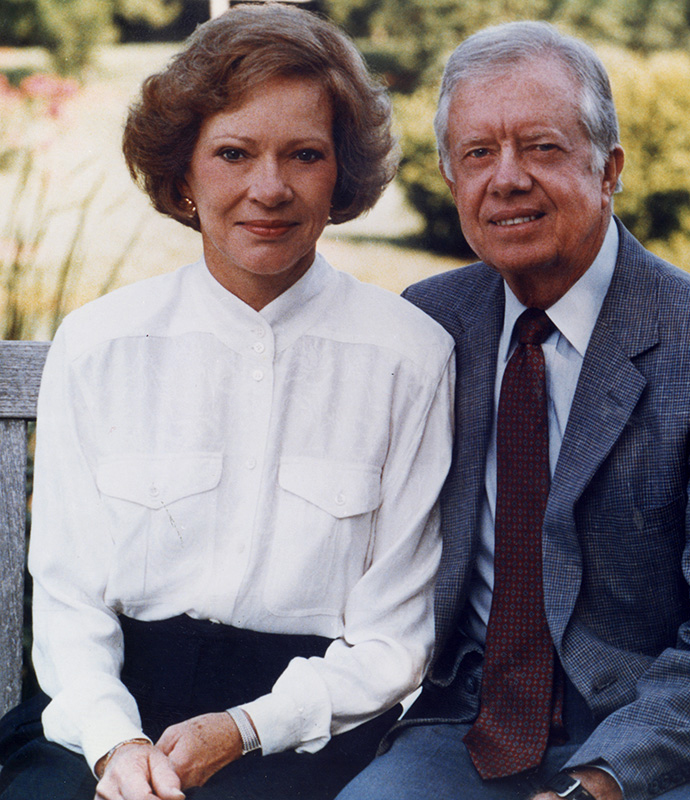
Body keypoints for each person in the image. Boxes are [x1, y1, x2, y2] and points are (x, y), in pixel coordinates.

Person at [335, 20, 690, 800]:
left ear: (608, 167)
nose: (507, 178)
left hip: (679, 740)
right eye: (478, 154)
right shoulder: (428, 326)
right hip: (467, 727)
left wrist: (598, 784)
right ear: (452, 180)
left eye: (542, 147)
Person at [0, 5, 454, 800]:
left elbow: (392, 639)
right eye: (234, 153)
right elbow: (69, 597)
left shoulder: (409, 358)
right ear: (183, 174)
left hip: (311, 729)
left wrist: (247, 729)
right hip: (110, 706)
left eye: (304, 155)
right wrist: (115, 743)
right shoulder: (101, 344)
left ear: (340, 174)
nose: (268, 189)